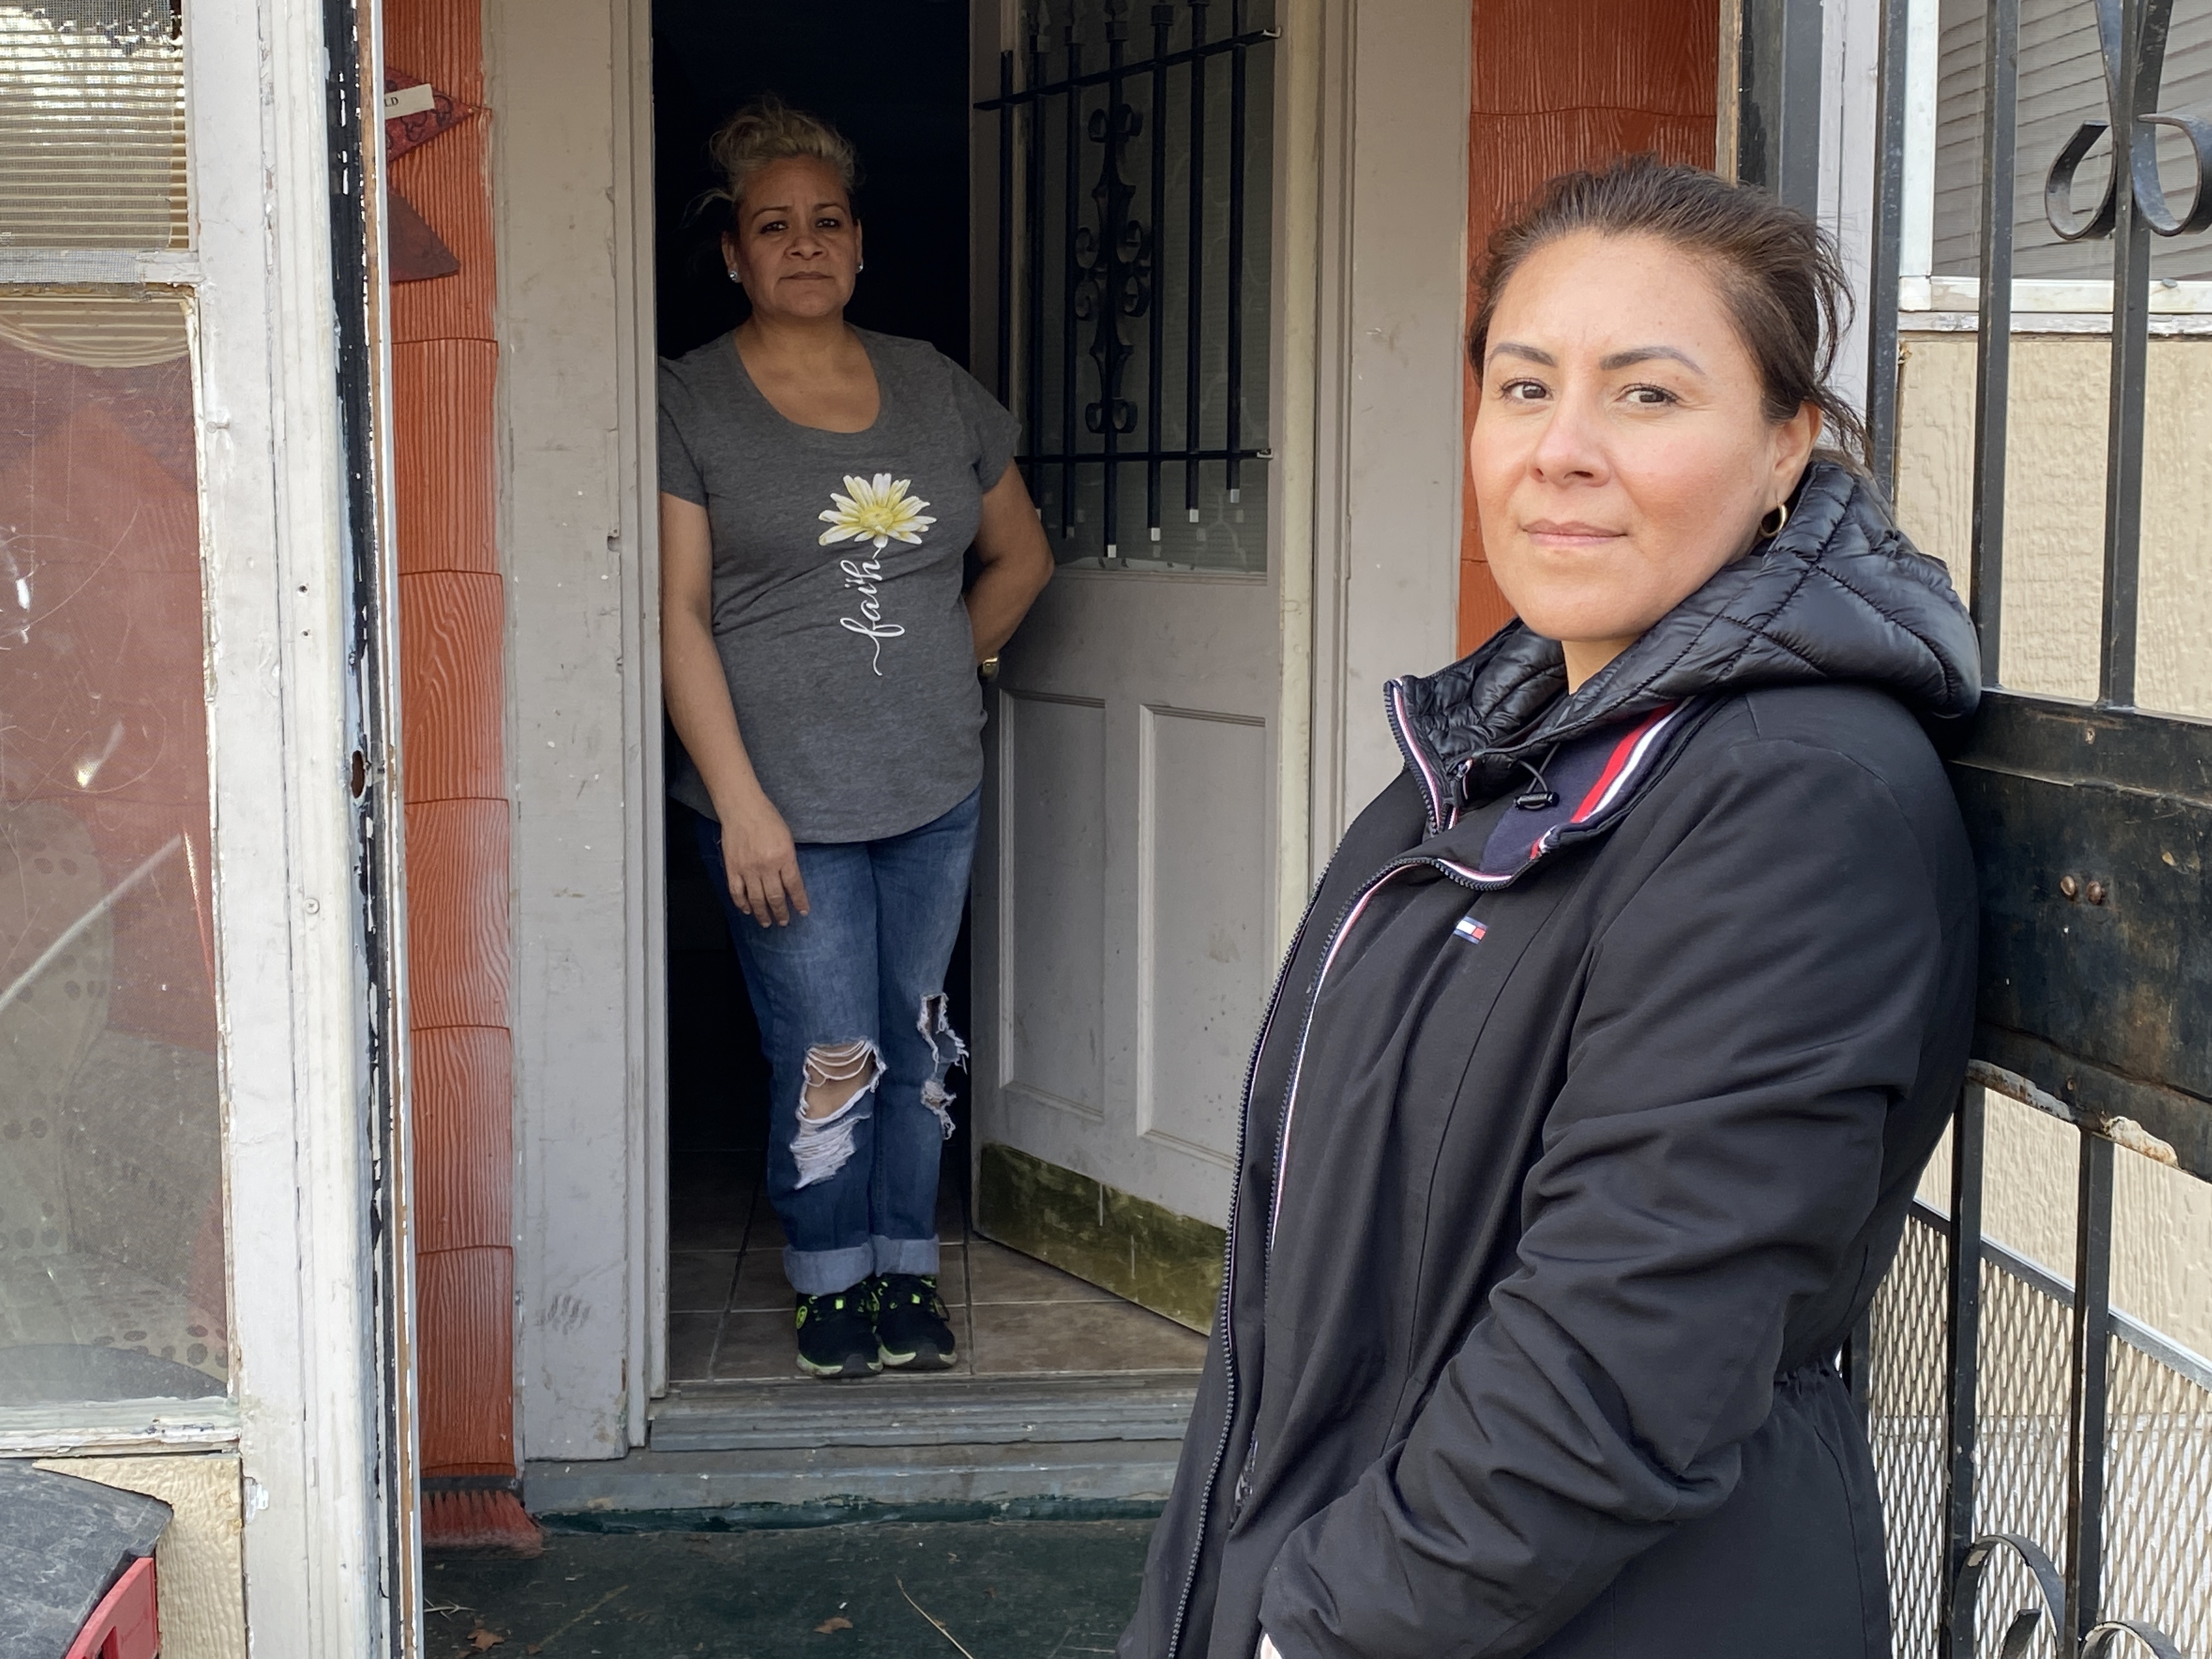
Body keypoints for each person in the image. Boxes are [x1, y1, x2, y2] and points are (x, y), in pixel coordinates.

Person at [1122, 157, 1980, 1658]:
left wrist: (1314, 1629)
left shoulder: (1794, 794)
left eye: (1644, 396)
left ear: (1787, 445)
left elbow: (1622, 1358)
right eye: (1521, 388)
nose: (1557, 450)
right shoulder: (1490, 761)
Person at [658, 97, 1053, 1380]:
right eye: (773, 225)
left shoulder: (934, 384)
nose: (803, 243)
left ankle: (903, 1264)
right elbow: (673, 611)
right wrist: (739, 800)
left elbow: (1021, 553)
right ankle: (828, 1275)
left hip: (930, 781)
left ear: (860, 242)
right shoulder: (691, 399)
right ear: (733, 254)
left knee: (915, 1044)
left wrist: (954, 657)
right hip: (785, 803)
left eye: (826, 221)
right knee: (831, 1050)